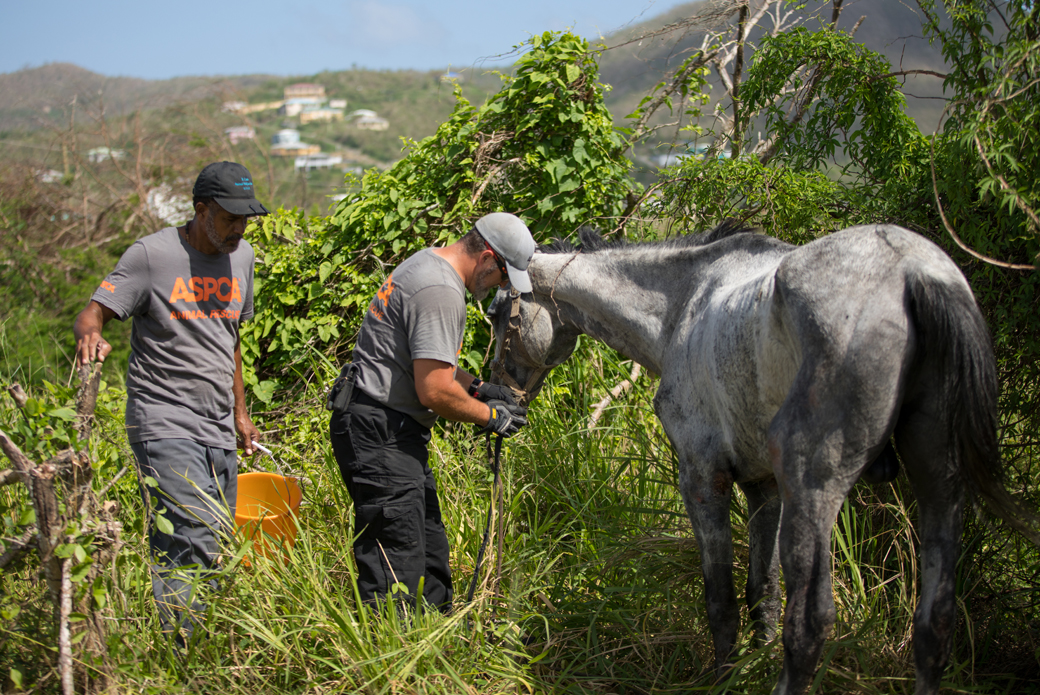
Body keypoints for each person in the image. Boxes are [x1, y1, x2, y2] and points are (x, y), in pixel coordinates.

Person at [73, 161, 268, 641]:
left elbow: (231, 339)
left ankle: (208, 642)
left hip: (218, 422)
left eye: (245, 219)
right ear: (201, 210)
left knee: (220, 534)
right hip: (163, 417)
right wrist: (91, 336)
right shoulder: (151, 255)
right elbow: (94, 312)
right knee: (189, 534)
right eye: (229, 218)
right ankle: (185, 655)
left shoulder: (241, 259)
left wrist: (241, 413)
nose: (239, 229)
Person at [328, 212, 534, 613]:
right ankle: (394, 663)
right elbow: (435, 390)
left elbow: (428, 357)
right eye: (503, 276)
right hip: (380, 431)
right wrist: (491, 416)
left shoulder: (426, 262)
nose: (501, 286)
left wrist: (478, 387)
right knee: (397, 566)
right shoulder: (441, 289)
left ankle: (438, 651)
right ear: (488, 258)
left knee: (428, 552)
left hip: (389, 430)